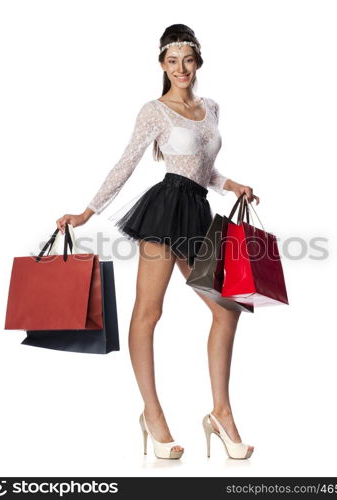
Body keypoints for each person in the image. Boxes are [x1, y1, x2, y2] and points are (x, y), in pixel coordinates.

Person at [56, 24, 260, 460]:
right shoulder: (154, 110)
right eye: (172, 61)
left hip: (198, 209)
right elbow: (126, 164)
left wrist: (231, 183)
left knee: (227, 310)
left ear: (198, 62)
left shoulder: (212, 108)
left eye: (187, 60)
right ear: (162, 64)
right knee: (150, 310)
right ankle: (153, 413)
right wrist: (85, 212)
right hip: (165, 208)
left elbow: (201, 169)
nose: (181, 68)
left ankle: (221, 413)